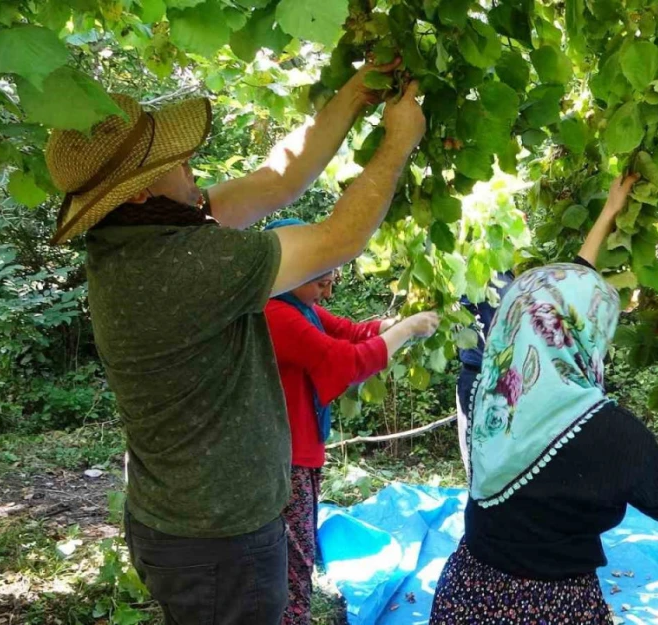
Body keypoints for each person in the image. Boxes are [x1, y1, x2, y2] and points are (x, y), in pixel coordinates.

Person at [43, 60, 425, 624]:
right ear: (143, 191)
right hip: (221, 544)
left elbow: (278, 180)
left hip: (183, 527)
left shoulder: (136, 237)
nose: (191, 165)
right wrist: (399, 142)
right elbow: (339, 237)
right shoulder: (185, 264)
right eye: (175, 161)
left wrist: (354, 94)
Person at [429, 175, 658, 625]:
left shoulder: (492, 402)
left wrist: (609, 212)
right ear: (588, 334)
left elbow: (557, 297)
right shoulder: (610, 434)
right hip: (555, 608)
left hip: (468, 594)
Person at [262, 218, 440, 625]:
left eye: (330, 280)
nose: (326, 291)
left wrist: (390, 327)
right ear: (290, 269)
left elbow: (351, 332)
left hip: (299, 453)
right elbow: (346, 361)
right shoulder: (274, 314)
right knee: (294, 557)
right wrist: (406, 331)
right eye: (319, 281)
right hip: (282, 459)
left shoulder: (299, 307)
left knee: (297, 551)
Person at [456, 271, 513, 476]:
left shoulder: (510, 278)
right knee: (479, 459)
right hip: (478, 376)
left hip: (505, 378)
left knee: (503, 455)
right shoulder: (475, 274)